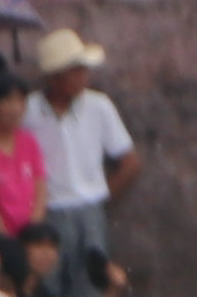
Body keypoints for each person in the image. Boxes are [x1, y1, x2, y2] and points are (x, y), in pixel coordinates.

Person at [20, 31, 138, 273]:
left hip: (90, 209)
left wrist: (100, 198)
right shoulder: (27, 111)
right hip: (47, 210)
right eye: (75, 71)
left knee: (91, 281)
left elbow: (130, 162)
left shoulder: (99, 105)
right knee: (46, 281)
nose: (83, 77)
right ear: (54, 78)